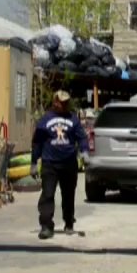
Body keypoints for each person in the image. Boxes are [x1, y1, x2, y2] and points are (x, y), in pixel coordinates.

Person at [31, 90, 89, 239]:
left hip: (69, 163)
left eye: (66, 102)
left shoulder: (73, 119)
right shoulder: (45, 119)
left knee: (68, 195)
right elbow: (37, 141)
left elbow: (81, 137)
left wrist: (85, 152)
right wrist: (33, 162)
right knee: (47, 195)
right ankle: (46, 226)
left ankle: (69, 222)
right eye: (61, 102)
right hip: (50, 163)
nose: (63, 105)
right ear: (55, 101)